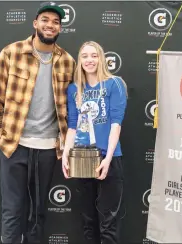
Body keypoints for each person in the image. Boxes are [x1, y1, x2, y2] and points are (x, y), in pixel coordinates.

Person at [0, 2, 76, 244]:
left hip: (48, 148)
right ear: (35, 23)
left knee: (38, 210)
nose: (50, 25)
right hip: (15, 145)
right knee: (13, 208)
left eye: (56, 22)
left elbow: (73, 106)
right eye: (45, 20)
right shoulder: (11, 53)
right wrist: (0, 135)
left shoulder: (67, 61)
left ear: (60, 29)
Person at [62, 41, 127, 244]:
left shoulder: (114, 83)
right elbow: (72, 126)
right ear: (79, 61)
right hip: (82, 157)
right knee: (88, 220)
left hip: (109, 158)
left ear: (101, 58)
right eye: (84, 56)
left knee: (109, 220)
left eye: (94, 55)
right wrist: (65, 154)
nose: (89, 60)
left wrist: (107, 158)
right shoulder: (74, 89)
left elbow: (116, 123)